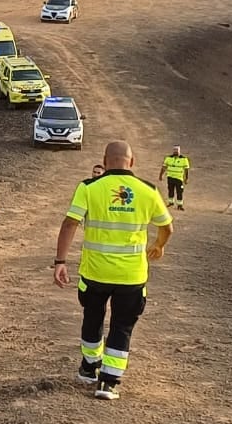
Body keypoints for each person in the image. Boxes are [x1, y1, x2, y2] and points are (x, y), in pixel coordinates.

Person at [52, 140, 173, 400]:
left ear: (105, 161)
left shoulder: (89, 187)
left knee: (92, 318)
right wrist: (159, 246)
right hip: (131, 277)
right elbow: (167, 226)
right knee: (122, 326)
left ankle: (89, 368)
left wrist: (60, 262)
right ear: (132, 162)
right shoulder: (148, 190)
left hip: (94, 273)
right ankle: (108, 382)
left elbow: (69, 224)